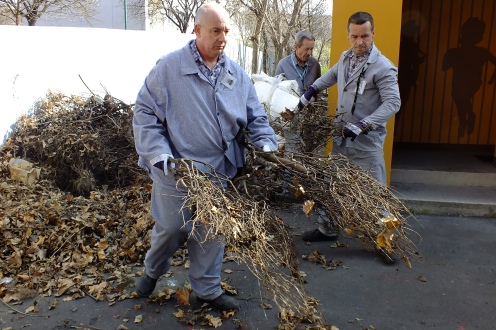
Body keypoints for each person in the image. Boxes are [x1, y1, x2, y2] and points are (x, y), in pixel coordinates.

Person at [132, 2, 277, 311]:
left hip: (218, 171)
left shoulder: (235, 74)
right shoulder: (169, 69)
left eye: (226, 31)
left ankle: (207, 290)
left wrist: (266, 143)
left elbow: (255, 116)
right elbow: (144, 113)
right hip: (176, 170)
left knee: (211, 231)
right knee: (170, 229)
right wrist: (158, 152)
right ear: (197, 30)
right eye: (215, 31)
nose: (222, 38)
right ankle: (152, 271)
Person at [297, 12, 401, 249]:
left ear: (373, 34)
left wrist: (364, 124)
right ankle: (327, 229)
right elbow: (331, 76)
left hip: (366, 145)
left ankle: (384, 242)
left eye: (365, 35)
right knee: (331, 186)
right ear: (348, 35)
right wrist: (310, 91)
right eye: (354, 36)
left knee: (374, 195)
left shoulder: (383, 67)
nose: (360, 41)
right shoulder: (345, 58)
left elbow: (393, 103)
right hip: (341, 139)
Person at [275, 30, 322, 96]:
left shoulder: (315, 64)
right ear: (296, 47)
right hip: (289, 106)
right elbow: (277, 93)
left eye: (311, 49)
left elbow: (318, 89)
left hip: (311, 105)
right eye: (306, 49)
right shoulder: (283, 65)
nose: (309, 53)